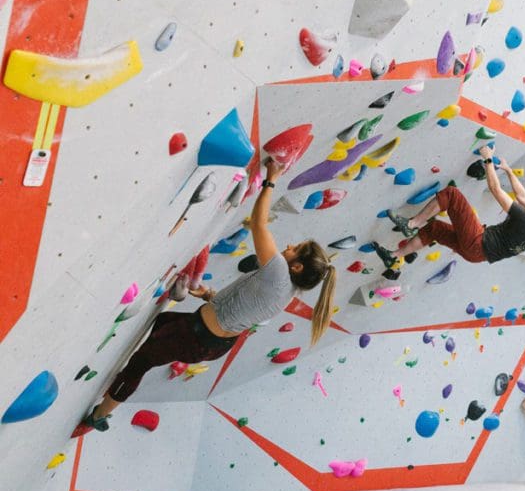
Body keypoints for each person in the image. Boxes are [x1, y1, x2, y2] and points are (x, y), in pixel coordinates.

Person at [77, 158, 337, 433]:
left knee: (139, 364)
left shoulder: (279, 274)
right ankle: (118, 391)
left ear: (296, 266)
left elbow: (259, 226)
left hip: (196, 337)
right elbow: (242, 307)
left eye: (296, 248)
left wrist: (271, 178)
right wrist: (209, 295)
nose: (289, 245)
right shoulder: (288, 291)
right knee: (162, 324)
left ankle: (100, 415)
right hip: (211, 342)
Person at [373, 144, 525, 277]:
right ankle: (393, 257)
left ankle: (411, 224)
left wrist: (488, 160)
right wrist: (508, 170)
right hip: (476, 256)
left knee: (452, 195)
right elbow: (524, 197)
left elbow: (496, 189)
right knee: (434, 229)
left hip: (478, 242)